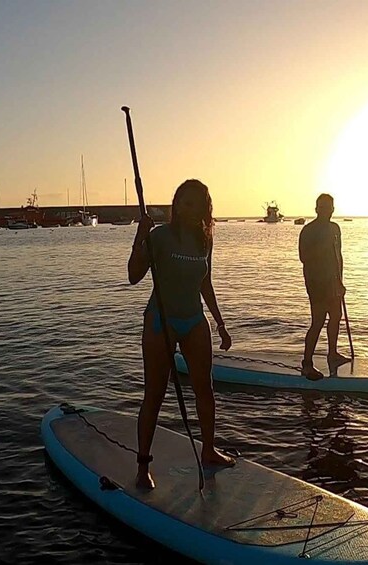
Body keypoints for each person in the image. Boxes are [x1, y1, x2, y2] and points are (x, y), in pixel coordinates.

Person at [127, 179, 235, 489]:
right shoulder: (160, 237)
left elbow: (206, 283)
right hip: (161, 321)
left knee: (206, 389)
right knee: (155, 394)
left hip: (193, 320)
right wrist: (140, 236)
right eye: (187, 203)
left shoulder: (205, 240)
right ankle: (142, 466)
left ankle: (208, 450)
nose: (192, 210)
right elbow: (134, 276)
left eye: (199, 205)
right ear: (176, 205)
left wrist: (220, 322)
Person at [298, 193, 351, 380]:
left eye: (327, 207)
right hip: (316, 283)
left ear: (333, 209)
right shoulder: (308, 230)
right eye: (321, 207)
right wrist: (323, 245)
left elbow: (339, 256)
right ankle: (306, 363)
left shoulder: (335, 228)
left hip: (333, 282)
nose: (324, 211)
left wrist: (340, 281)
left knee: (336, 316)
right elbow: (304, 257)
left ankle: (332, 354)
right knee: (318, 321)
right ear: (316, 209)